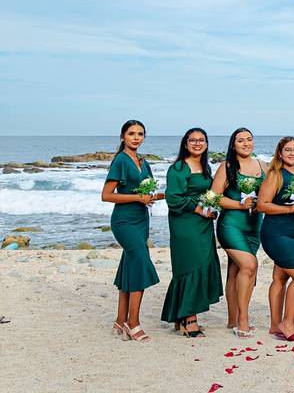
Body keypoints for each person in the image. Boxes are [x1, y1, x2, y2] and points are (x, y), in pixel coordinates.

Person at [100, 119, 162, 342]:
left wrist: (170, 194)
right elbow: (106, 195)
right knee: (140, 265)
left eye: (140, 134)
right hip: (124, 222)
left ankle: (119, 320)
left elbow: (149, 194)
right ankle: (132, 323)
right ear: (123, 136)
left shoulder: (144, 163)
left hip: (141, 220)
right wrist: (138, 197)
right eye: (132, 133)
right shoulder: (121, 161)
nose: (136, 137)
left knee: (129, 266)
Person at [160, 127, 223, 337]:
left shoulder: (206, 167)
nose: (197, 143)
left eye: (201, 140)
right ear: (185, 143)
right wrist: (200, 210)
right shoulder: (179, 167)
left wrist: (211, 209)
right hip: (185, 222)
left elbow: (210, 193)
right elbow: (174, 198)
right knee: (191, 265)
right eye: (193, 140)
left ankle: (180, 317)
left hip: (203, 223)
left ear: (206, 144)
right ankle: (189, 319)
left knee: (203, 263)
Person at [212, 127, 266, 338]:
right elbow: (215, 197)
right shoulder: (226, 167)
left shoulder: (262, 165)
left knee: (236, 271)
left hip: (254, 227)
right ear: (233, 144)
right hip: (231, 225)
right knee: (250, 265)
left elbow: (273, 189)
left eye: (249, 139)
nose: (245, 143)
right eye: (240, 140)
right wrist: (239, 204)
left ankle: (232, 319)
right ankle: (243, 320)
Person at [258, 136, 294, 342]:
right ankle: (287, 323)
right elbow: (262, 204)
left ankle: (274, 326)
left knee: (280, 278)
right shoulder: (275, 175)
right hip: (276, 233)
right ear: (280, 153)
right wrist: (288, 209)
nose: (292, 153)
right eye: (287, 150)